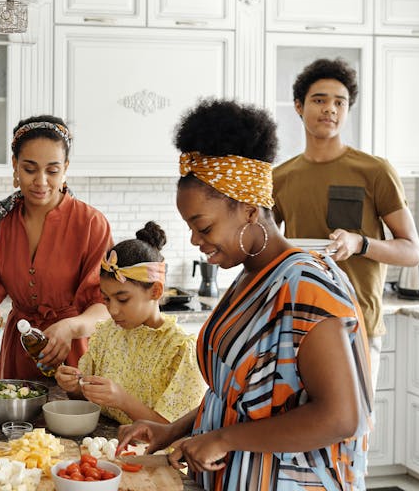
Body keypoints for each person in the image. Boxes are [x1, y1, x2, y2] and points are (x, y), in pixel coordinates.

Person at [119, 99, 373, 490]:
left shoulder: (307, 286)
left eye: (204, 227)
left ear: (250, 211)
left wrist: (223, 439)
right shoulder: (250, 277)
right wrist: (172, 430)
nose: (195, 240)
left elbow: (341, 418)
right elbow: (237, 396)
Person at [273, 58, 419, 384]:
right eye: (319, 100)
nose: (330, 108)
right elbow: (265, 247)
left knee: (355, 417)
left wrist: (360, 243)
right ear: (298, 106)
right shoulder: (280, 178)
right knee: (299, 417)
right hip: (298, 323)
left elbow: (413, 252)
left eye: (339, 102)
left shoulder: (375, 171)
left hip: (356, 324)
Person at [0, 115, 112, 380]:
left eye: (52, 171)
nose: (41, 181)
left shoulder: (91, 224)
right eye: (30, 169)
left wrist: (70, 327)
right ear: (15, 165)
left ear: (65, 168)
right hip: (19, 350)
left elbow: (105, 306)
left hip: (76, 351)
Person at [54, 221, 206, 425]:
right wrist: (74, 388)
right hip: (106, 442)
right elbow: (87, 399)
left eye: (123, 299)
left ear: (155, 291)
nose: (112, 310)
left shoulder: (180, 350)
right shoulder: (107, 333)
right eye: (106, 299)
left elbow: (172, 429)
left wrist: (122, 400)